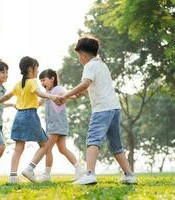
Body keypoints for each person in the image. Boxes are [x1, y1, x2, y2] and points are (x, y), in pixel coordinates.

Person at [57, 35, 137, 185]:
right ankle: (129, 175)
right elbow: (94, 86)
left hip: (102, 110)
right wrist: (76, 95)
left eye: (78, 56)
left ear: (84, 55)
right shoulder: (102, 65)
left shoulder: (89, 66)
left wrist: (66, 94)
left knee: (93, 139)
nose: (79, 59)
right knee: (115, 145)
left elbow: (86, 83)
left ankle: (89, 174)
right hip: (114, 108)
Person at [0, 56, 59, 183]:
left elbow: (7, 97)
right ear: (30, 69)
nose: (38, 71)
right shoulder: (32, 82)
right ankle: (30, 169)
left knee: (18, 148)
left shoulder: (18, 84)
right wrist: (52, 97)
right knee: (45, 145)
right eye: (37, 68)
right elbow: (39, 93)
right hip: (30, 116)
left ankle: (13, 177)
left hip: (19, 117)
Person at [21, 69, 84, 182]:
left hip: (57, 125)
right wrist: (26, 106)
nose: (42, 83)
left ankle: (38, 171)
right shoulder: (47, 94)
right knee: (61, 149)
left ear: (52, 79)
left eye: (43, 80)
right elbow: (38, 103)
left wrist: (76, 95)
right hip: (53, 126)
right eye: (40, 81)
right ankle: (78, 169)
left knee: (46, 147)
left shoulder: (58, 89)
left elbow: (67, 95)